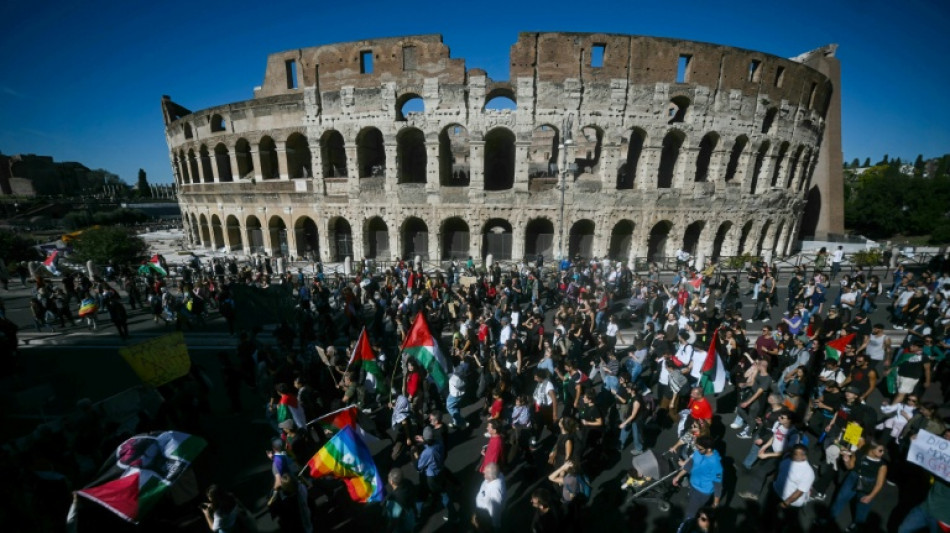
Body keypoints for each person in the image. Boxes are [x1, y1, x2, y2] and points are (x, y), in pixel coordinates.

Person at [827, 439, 889, 532]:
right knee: (840, 499)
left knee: (862, 508)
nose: (882, 453)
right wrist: (847, 461)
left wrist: (871, 496)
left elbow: (879, 483)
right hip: (853, 478)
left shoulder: (882, 465)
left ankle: (857, 526)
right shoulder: (859, 453)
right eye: (880, 450)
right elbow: (850, 467)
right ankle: (829, 518)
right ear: (872, 449)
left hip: (867, 485)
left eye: (883, 451)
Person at [672, 435, 723, 520]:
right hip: (693, 484)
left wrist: (715, 504)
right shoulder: (698, 452)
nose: (697, 450)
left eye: (700, 449)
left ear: (709, 449)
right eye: (697, 447)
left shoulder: (716, 466)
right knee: (692, 499)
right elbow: (689, 465)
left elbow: (718, 486)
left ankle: (688, 523)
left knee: (691, 513)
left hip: (702, 492)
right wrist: (678, 476)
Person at [766, 445, 815, 533]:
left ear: (804, 456)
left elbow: (799, 492)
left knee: (781, 524)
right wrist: (773, 480)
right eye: (792, 452)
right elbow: (779, 470)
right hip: (776, 493)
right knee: (770, 516)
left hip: (790, 504)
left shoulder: (808, 472)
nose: (792, 454)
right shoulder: (787, 459)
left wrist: (785, 503)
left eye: (795, 454)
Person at [475, 462, 506, 531]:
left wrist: (495, 525)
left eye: (485, 472)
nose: (483, 471)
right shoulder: (494, 477)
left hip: (486, 517)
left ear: (491, 477)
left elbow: (495, 512)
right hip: (482, 512)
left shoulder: (495, 493)